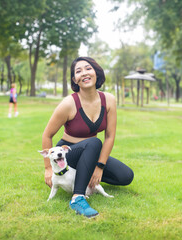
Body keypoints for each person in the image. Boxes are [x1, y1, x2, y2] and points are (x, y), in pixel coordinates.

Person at [41, 57, 134, 218]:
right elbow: (47, 135)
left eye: (88, 68)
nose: (84, 73)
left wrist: (99, 167)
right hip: (69, 154)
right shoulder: (68, 103)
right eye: (78, 71)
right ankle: (78, 197)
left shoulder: (109, 100)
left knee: (125, 176)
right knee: (93, 142)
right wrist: (48, 168)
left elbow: (110, 136)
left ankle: (83, 176)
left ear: (96, 72)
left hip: (92, 152)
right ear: (74, 80)